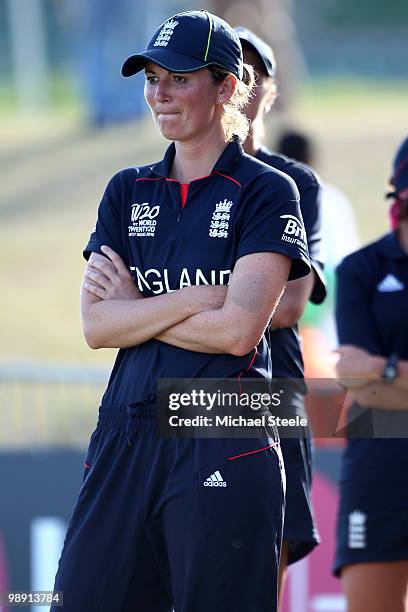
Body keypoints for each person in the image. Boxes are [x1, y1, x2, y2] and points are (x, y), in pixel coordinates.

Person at [51, 10, 311, 612]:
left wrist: (137, 309)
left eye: (179, 78)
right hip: (126, 424)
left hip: (222, 426)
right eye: (150, 78)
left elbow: (240, 329)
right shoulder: (125, 189)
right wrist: (192, 299)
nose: (158, 94)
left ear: (226, 87)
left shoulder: (270, 189)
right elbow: (97, 326)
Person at [235, 27, 325, 598]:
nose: (236, 87)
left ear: (271, 89)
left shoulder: (296, 183)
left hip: (272, 387)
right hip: (185, 390)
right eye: (223, 73)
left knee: (265, 573)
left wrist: (174, 305)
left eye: (248, 74)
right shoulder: (157, 184)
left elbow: (289, 306)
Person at [333, 136, 408, 612]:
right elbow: (355, 380)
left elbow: (371, 379)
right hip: (379, 462)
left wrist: (384, 373)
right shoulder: (361, 269)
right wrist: (375, 375)